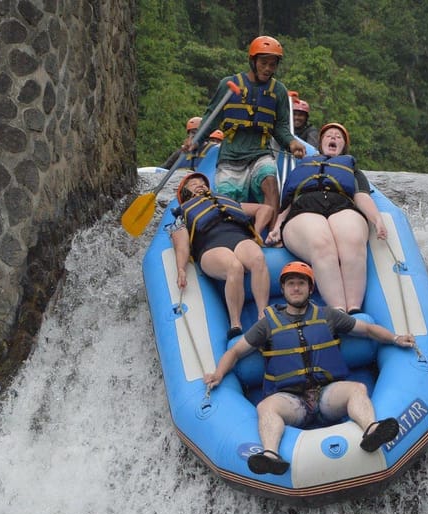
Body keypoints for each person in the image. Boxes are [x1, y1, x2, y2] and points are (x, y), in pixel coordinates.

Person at [203, 262, 415, 475]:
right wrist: (219, 373)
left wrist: (395, 338)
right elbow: (235, 352)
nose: (296, 288)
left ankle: (372, 431)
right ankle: (270, 455)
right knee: (265, 407)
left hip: (327, 394)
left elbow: (367, 329)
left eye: (301, 284)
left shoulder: (328, 315)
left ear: (310, 288)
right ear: (283, 289)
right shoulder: (267, 324)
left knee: (357, 389)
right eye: (291, 284)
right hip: (292, 400)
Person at [184, 35, 307, 234]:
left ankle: (272, 232)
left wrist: (291, 143)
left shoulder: (279, 91)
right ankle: (235, 234)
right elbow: (211, 118)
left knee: (269, 180)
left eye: (272, 64)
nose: (268, 69)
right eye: (264, 63)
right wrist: (195, 139)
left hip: (259, 152)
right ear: (253, 61)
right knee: (227, 197)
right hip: (231, 154)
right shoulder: (228, 85)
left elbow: (281, 127)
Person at [266, 123, 387, 313]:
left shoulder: (351, 169)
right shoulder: (301, 167)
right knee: (321, 243)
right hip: (304, 208)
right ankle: (338, 310)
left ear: (344, 146)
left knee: (352, 240)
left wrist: (377, 219)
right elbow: (286, 205)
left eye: (339, 137)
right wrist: (276, 227)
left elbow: (361, 195)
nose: (333, 138)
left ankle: (354, 309)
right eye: (329, 135)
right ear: (321, 143)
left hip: (342, 206)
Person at [169, 172, 270, 339]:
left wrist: (257, 233)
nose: (200, 184)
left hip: (238, 238)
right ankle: (235, 324)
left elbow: (265, 209)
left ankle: (263, 315)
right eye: (194, 184)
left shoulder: (227, 202)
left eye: (202, 182)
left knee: (258, 258)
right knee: (234, 266)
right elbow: (181, 245)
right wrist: (181, 269)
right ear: (185, 193)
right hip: (209, 246)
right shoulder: (182, 215)